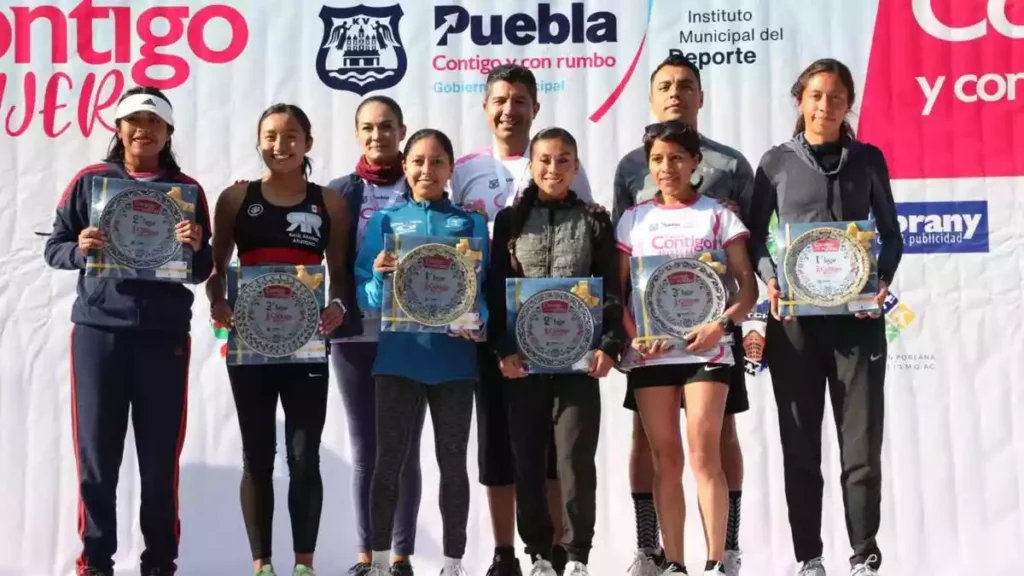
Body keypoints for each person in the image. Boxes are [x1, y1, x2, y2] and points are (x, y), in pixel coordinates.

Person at [43, 86, 213, 576]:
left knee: (160, 462)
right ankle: (96, 562)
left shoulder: (187, 191)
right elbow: (54, 249)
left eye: (154, 122)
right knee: (97, 460)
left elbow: (200, 269)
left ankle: (160, 563)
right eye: (133, 121)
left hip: (164, 338)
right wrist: (80, 248)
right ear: (118, 129)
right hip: (99, 334)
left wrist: (196, 246)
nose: (143, 130)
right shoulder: (90, 182)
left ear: (169, 132)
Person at [749, 58, 902, 576]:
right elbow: (753, 238)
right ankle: (809, 557)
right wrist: (770, 278)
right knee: (800, 447)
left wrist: (880, 279)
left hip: (857, 323)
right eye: (816, 95)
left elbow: (892, 234)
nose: (825, 105)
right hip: (793, 324)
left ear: (848, 103)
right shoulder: (773, 162)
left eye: (836, 97)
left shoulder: (868, 159)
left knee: (861, 444)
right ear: (800, 101)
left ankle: (864, 554)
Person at [611, 53, 757, 576]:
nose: (667, 167)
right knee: (664, 460)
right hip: (651, 355)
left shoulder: (718, 212)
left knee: (706, 454)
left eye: (677, 159)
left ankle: (719, 559)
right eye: (658, 160)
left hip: (708, 350)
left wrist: (724, 324)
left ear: (696, 163)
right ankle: (671, 561)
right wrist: (632, 336)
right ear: (647, 165)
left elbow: (747, 286)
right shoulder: (632, 218)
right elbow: (618, 292)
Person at [449, 63, 591, 576]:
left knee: (554, 451)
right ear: (486, 108)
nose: (510, 110)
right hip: (489, 328)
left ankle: (554, 552)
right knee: (499, 445)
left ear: (536, 106)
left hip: (556, 331)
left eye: (520, 100)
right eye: (500, 101)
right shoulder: (464, 169)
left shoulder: (569, 168)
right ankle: (507, 552)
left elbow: (589, 251)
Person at [206, 104, 348, 576]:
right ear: (258, 140)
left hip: (308, 347)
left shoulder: (328, 202)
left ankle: (303, 565)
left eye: (291, 136)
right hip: (250, 345)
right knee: (257, 456)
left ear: (308, 143)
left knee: (305, 458)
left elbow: (342, 277)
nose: (280, 145)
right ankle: (261, 565)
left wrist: (338, 308)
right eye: (270, 135)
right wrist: (218, 304)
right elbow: (213, 270)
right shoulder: (234, 198)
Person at [486, 128, 624, 576]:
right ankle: (540, 554)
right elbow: (493, 287)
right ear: (531, 165)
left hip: (578, 362)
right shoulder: (508, 220)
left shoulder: (594, 219)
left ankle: (578, 554)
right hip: (523, 363)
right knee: (527, 457)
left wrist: (608, 345)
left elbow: (610, 290)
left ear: (576, 166)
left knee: (574, 459)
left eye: (564, 160)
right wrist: (503, 348)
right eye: (544, 159)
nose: (553, 168)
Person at [357, 129, 488, 576]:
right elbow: (368, 296)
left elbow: (482, 292)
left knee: (453, 466)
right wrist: (376, 278)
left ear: (451, 169)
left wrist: (479, 319)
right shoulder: (386, 223)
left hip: (453, 363)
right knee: (387, 463)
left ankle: (453, 564)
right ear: (405, 166)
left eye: (436, 162)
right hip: (397, 361)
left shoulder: (471, 223)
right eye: (417, 161)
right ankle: (376, 562)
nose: (426, 170)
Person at [326, 95, 423, 576]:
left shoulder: (423, 186)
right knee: (366, 449)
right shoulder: (336, 192)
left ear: (401, 131)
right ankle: (369, 558)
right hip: (352, 336)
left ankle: (401, 557)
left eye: (386, 127)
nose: (376, 136)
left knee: (404, 449)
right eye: (367, 128)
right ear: (356, 133)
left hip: (412, 335)